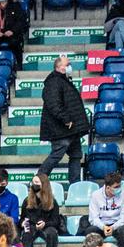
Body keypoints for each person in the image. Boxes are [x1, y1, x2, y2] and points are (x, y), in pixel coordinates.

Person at [37, 56, 89, 185]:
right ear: (59, 67)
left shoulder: (63, 80)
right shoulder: (54, 82)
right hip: (61, 128)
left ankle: (75, 186)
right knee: (56, 155)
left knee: (76, 155)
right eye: (68, 64)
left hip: (72, 129)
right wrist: (66, 119)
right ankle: (38, 181)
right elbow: (53, 104)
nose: (70, 66)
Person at [18, 172, 64, 247]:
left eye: (37, 183)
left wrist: (45, 224)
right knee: (26, 234)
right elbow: (22, 218)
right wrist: (22, 223)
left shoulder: (53, 202)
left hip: (47, 226)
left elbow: (55, 221)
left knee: (52, 233)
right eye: (33, 182)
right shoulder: (27, 201)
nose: (34, 185)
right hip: (31, 225)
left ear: (44, 185)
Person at [83, 170, 124, 244]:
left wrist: (113, 227)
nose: (119, 188)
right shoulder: (95, 195)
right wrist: (103, 227)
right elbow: (93, 218)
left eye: (120, 185)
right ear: (107, 188)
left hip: (117, 224)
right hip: (101, 224)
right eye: (116, 187)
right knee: (90, 230)